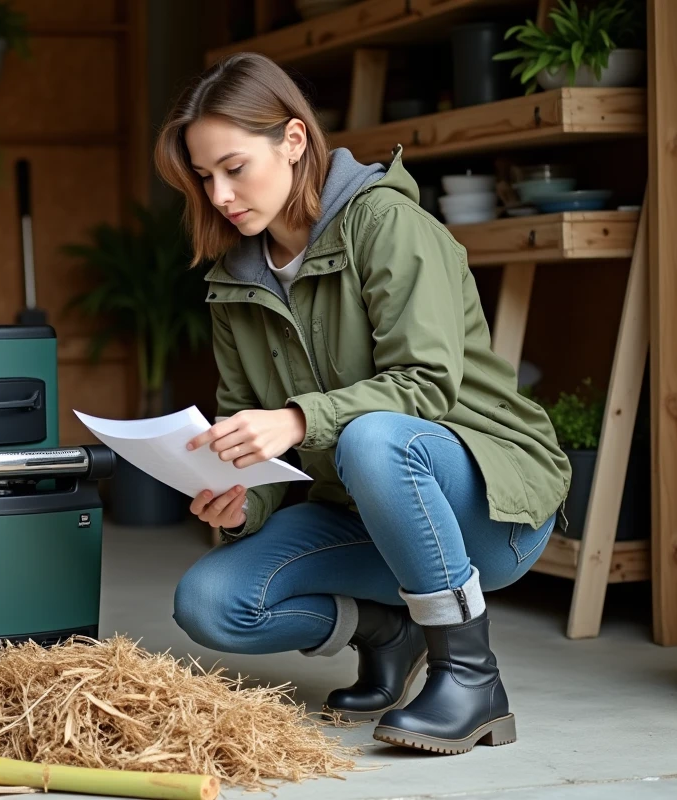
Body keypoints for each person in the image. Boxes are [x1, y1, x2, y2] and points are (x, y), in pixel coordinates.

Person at [152, 52, 571, 755]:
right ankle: (388, 631)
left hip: (489, 514)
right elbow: (245, 424)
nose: (220, 194)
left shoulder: (385, 224)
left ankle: (471, 678)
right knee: (210, 604)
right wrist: (239, 499)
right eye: (204, 177)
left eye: (235, 167)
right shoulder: (234, 280)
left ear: (293, 140)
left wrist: (297, 420)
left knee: (374, 437)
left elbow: (425, 383)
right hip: (361, 517)